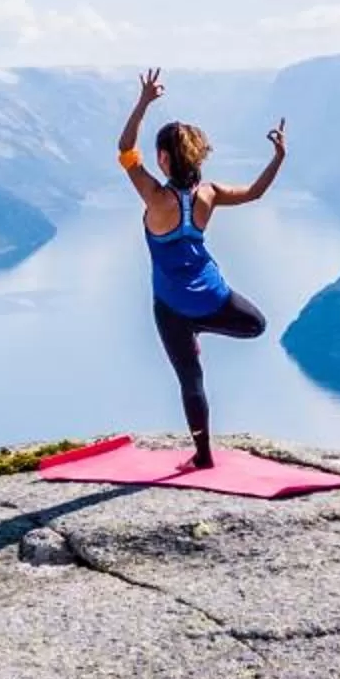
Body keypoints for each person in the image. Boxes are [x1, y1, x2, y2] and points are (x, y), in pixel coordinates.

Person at [118, 68, 286, 470]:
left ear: (162, 158)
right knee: (256, 325)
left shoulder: (156, 198)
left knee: (190, 379)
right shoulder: (209, 194)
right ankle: (202, 327)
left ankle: (203, 457)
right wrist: (278, 157)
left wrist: (143, 102)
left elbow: (125, 149)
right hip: (213, 298)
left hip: (171, 308)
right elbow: (256, 192)